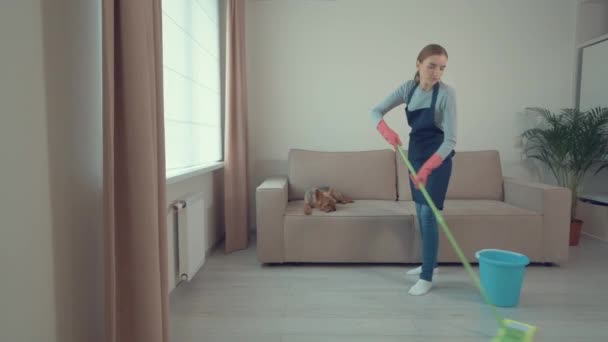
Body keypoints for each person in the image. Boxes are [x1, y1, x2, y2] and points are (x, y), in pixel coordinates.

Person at [370, 44, 457, 296]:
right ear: (418, 64)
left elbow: (450, 140)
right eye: (431, 66)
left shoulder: (447, 94)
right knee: (420, 212)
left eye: (442, 68)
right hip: (416, 155)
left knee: (429, 215)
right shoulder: (408, 89)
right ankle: (430, 264)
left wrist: (429, 167)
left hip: (438, 159)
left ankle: (427, 276)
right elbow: (375, 111)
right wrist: (386, 130)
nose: (437, 72)